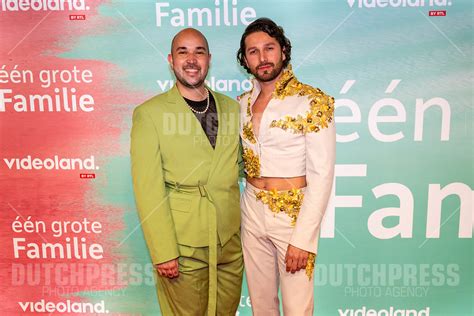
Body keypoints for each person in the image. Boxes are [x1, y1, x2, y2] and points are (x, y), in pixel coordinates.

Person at [131, 28, 243, 315]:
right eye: (183, 52)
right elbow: (148, 188)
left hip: (229, 245)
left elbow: (242, 166)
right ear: (171, 60)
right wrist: (164, 251)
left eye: (199, 52)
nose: (191, 59)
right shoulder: (150, 113)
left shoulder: (232, 108)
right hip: (182, 246)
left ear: (209, 59)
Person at [236, 18, 336, 315]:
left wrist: (304, 239)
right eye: (253, 51)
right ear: (245, 59)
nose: (262, 57)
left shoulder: (313, 101)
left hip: (293, 216)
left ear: (283, 51)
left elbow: (322, 174)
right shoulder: (241, 103)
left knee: (297, 308)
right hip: (251, 210)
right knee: (261, 305)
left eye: (269, 48)